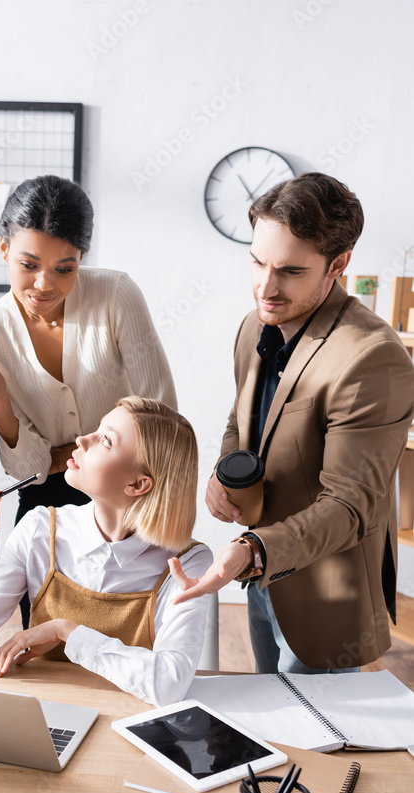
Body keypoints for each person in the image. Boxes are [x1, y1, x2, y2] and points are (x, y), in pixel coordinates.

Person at [172, 173, 414, 673]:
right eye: (257, 261)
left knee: (321, 745)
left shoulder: (373, 358)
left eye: (289, 270)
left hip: (325, 597)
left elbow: (348, 507)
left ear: (339, 264)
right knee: (275, 732)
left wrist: (251, 548)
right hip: (259, 576)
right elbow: (242, 420)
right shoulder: (252, 326)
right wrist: (222, 470)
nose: (266, 286)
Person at [0, 175, 176, 622]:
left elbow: (163, 420)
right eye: (28, 263)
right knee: (41, 638)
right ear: (3, 249)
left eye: (64, 267)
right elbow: (31, 472)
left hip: (129, 496)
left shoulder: (115, 294)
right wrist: (0, 409)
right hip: (46, 504)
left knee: (129, 635)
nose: (44, 284)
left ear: (82, 259)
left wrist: (60, 455)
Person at [0, 397, 212, 707]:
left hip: (131, 730)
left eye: (105, 440)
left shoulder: (188, 562)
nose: (82, 440)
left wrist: (65, 630)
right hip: (45, 718)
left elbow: (168, 685)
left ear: (137, 484)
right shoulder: (38, 530)